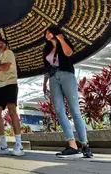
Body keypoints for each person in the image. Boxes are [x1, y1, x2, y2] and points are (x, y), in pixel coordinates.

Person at [42, 25, 93, 158]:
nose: (47, 34)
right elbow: (47, 67)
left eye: (49, 32)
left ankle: (85, 145)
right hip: (53, 78)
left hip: (66, 75)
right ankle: (72, 145)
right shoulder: (46, 48)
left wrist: (61, 39)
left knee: (75, 110)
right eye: (45, 33)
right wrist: (44, 83)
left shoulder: (63, 42)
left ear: (55, 32)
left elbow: (69, 53)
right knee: (59, 111)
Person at [0, 38, 24, 156]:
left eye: (0, 42)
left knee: (12, 111)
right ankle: (4, 145)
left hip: (10, 84)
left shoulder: (9, 53)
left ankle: (19, 144)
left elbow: (5, 67)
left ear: (6, 44)